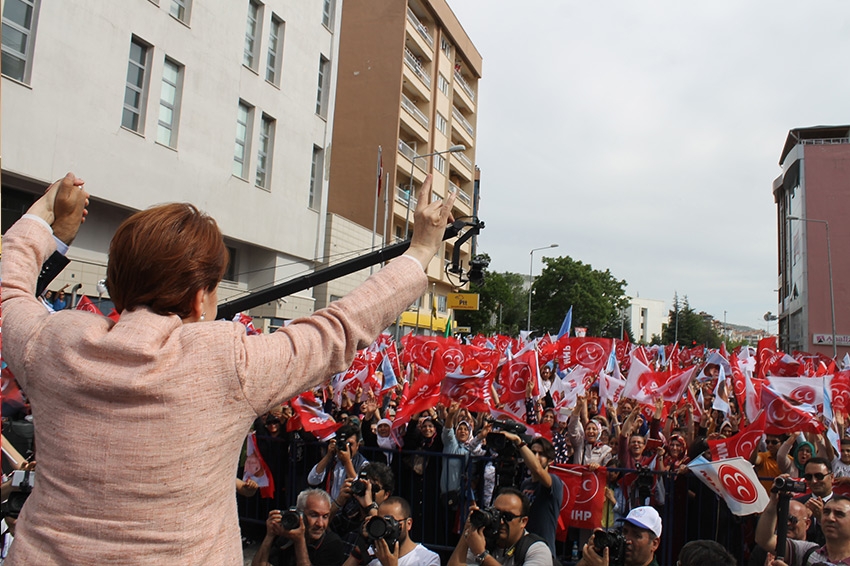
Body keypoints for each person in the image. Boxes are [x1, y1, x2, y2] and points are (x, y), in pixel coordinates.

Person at [0, 172, 454, 564]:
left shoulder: (52, 344)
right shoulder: (228, 363)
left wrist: (45, 219)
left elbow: (9, 292)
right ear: (202, 298)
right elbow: (340, 327)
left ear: (116, 284)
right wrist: (420, 250)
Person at [448, 487, 554, 566]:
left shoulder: (537, 550)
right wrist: (468, 530)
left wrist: (482, 555)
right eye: (497, 514)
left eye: (508, 516)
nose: (501, 522)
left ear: (523, 521)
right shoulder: (483, 542)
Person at [252, 488, 346, 566]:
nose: (320, 524)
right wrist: (270, 535)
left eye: (325, 516)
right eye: (314, 515)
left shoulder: (333, 543)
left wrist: (299, 541)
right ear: (300, 514)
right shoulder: (287, 537)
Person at [756, 493, 850, 566]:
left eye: (839, 514)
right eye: (826, 512)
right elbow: (765, 540)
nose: (830, 518)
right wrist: (773, 503)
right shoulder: (808, 551)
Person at [343, 496, 440, 566]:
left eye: (391, 522)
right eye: (382, 522)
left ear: (408, 524)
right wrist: (360, 548)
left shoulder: (427, 559)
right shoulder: (372, 553)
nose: (387, 527)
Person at [578, 506, 662, 566]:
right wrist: (588, 558)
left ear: (654, 544)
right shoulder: (612, 560)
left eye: (636, 535)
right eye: (625, 532)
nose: (627, 539)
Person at [308, 425, 369, 501]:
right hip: (330, 505)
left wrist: (347, 462)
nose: (347, 447)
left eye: (350, 444)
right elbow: (312, 480)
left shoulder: (363, 464)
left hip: (350, 508)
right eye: (344, 444)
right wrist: (328, 455)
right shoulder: (332, 459)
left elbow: (359, 488)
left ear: (357, 445)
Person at [795, 457, 835, 546]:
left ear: (831, 477)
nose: (814, 481)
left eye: (819, 476)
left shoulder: (845, 506)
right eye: (809, 477)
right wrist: (801, 517)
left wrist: (822, 520)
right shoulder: (797, 505)